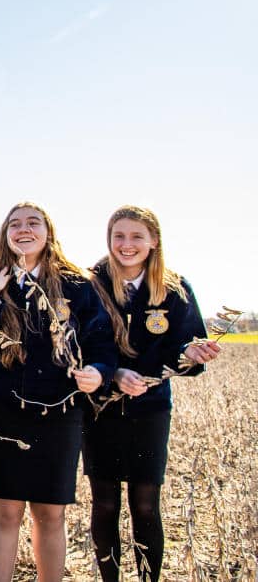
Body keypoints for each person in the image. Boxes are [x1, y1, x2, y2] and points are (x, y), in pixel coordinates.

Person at [0, 202, 117, 582]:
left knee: (51, 511)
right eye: (14, 224)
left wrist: (98, 373)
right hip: (2, 410)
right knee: (5, 509)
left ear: (49, 233)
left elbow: (101, 342)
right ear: (5, 234)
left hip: (60, 412)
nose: (23, 229)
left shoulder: (77, 285)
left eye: (33, 222)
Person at [84, 205, 219, 581]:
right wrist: (114, 375)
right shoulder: (89, 284)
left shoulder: (174, 289)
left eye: (136, 236)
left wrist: (191, 354)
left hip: (151, 411)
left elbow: (185, 346)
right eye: (119, 236)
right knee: (106, 503)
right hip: (100, 410)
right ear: (109, 239)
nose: (127, 245)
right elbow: (81, 344)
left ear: (154, 241)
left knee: (145, 506)